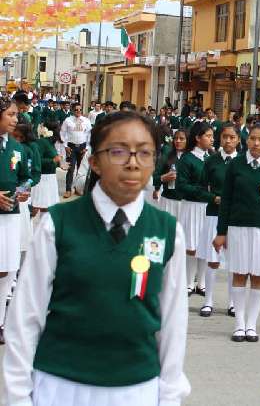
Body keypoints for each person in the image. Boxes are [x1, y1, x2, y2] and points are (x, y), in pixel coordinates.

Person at [3, 110, 190, 405]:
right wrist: (18, 396)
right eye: (118, 151)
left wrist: (169, 396)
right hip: (60, 384)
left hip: (136, 387)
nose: (132, 162)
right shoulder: (59, 223)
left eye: (144, 153)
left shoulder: (167, 232)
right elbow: (26, 315)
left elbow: (173, 325)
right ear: (94, 162)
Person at [213, 123, 260, 343]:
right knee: (238, 274)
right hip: (237, 228)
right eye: (253, 139)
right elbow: (226, 200)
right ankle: (239, 324)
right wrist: (221, 231)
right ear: (246, 140)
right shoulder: (236, 165)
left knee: (258, 276)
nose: (256, 143)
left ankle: (251, 324)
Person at [198, 123, 239, 318]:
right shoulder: (211, 161)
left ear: (238, 139)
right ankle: (208, 301)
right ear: (220, 138)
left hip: (237, 217)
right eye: (225, 137)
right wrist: (213, 198)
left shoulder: (243, 162)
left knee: (233, 261)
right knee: (212, 259)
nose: (228, 140)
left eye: (232, 137)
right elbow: (200, 188)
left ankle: (232, 303)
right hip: (214, 213)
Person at [0, 100, 31, 344]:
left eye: (16, 115)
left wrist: (23, 190)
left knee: (6, 272)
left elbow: (25, 177)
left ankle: (0, 321)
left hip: (10, 217)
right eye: (10, 114)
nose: (15, 120)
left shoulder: (16, 148)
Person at [176, 121, 215, 296]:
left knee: (205, 244)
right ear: (198, 138)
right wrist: (202, 192)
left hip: (208, 207)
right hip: (192, 206)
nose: (211, 139)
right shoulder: (187, 159)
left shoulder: (212, 158)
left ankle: (202, 282)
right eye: (208, 136)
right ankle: (188, 282)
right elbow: (181, 185)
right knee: (191, 245)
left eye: (212, 136)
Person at [12, 118, 41, 259]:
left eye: (20, 137)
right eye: (14, 136)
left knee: (21, 233)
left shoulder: (31, 148)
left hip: (21, 193)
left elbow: (35, 174)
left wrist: (21, 189)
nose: (17, 140)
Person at [153, 129, 186, 219]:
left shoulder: (191, 157)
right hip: (168, 200)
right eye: (176, 138)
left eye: (181, 138)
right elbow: (155, 177)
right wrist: (162, 179)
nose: (178, 141)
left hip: (185, 203)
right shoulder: (167, 156)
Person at [60, 103, 91, 199]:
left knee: (81, 170)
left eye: (80, 109)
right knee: (71, 168)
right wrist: (65, 146)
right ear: (73, 110)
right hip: (71, 147)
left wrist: (87, 147)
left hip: (82, 148)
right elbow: (62, 133)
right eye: (76, 110)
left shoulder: (86, 121)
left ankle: (77, 188)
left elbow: (89, 134)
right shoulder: (68, 120)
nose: (78, 111)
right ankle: (68, 190)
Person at [31, 121, 61, 215]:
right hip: (42, 179)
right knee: (35, 208)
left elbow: (53, 159)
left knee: (47, 209)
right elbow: (37, 160)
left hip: (50, 179)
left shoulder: (50, 143)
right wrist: (52, 161)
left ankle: (42, 229)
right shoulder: (42, 142)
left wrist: (59, 164)